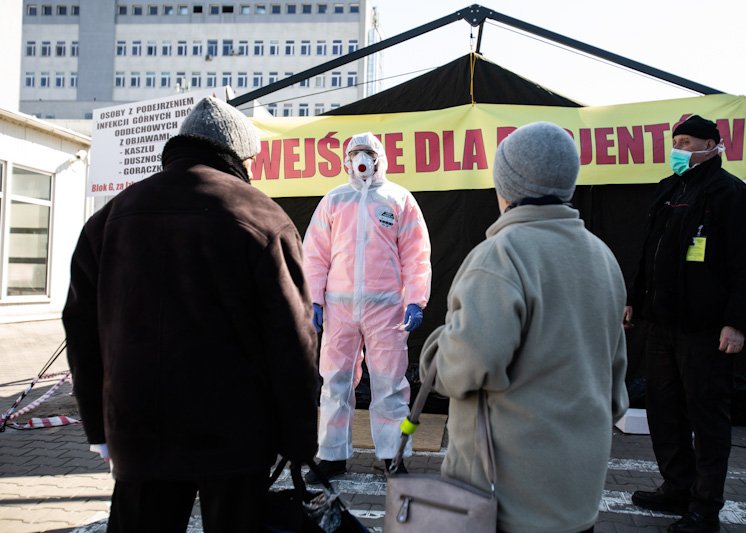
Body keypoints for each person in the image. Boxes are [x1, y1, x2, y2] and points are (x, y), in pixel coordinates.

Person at [63, 96, 319, 532]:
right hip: (235, 436)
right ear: (238, 154)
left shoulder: (112, 216)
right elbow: (293, 339)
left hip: (137, 428)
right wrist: (298, 439)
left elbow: (81, 329)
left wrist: (100, 430)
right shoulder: (261, 215)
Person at [419, 122, 629, 533]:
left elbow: (467, 366)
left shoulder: (500, 256)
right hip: (579, 491)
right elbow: (615, 382)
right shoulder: (603, 258)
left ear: (506, 185)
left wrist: (432, 353)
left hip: (506, 498)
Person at [625, 115, 746, 533]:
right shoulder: (671, 189)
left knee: (705, 417)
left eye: (687, 143)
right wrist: (635, 299)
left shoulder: (732, 195)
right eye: (676, 142)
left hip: (706, 330)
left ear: (712, 145)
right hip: (662, 325)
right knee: (664, 410)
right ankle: (677, 488)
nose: (678, 150)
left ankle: (706, 506)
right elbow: (649, 251)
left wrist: (736, 323)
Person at [302, 132, 432, 481]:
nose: (362, 159)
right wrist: (313, 298)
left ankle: (391, 455)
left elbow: (416, 255)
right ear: (346, 160)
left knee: (390, 383)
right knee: (335, 382)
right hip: (339, 308)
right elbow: (314, 254)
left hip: (386, 309)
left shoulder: (398, 199)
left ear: (380, 158)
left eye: (368, 153)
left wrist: (415, 300)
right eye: (356, 153)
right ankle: (331, 455)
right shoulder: (334, 200)